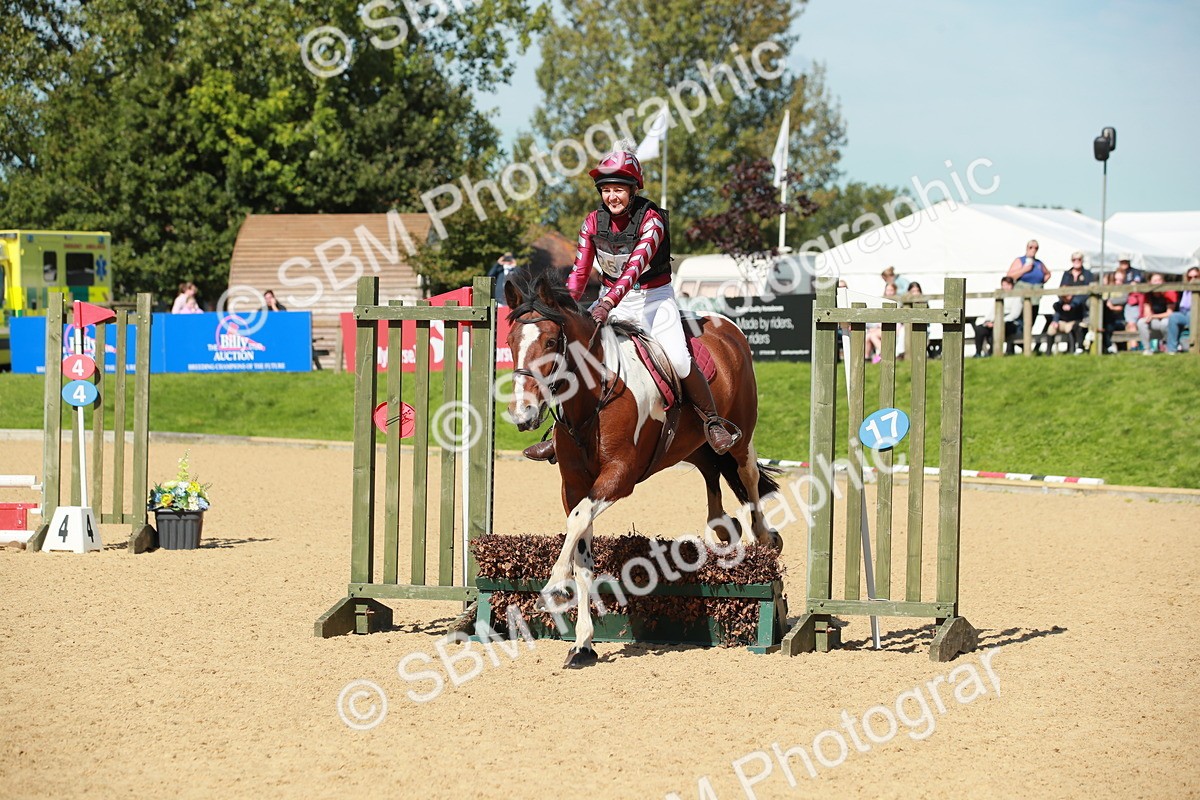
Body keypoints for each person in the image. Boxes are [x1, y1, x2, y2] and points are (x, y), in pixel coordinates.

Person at [523, 142, 736, 462]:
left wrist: (606, 304)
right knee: (578, 354)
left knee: (678, 359)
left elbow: (633, 271)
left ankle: (713, 421)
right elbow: (580, 273)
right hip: (613, 299)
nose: (612, 196)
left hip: (654, 298)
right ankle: (560, 433)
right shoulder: (592, 222)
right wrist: (564, 308)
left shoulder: (652, 221)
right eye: (606, 190)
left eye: (619, 190)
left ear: (633, 190)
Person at [1045, 251, 1094, 353]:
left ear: (1082, 260)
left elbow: (1086, 293)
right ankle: (1048, 352)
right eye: (1074, 259)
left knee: (1076, 327)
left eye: (1079, 259)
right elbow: (1062, 290)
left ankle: (1076, 349)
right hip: (1065, 306)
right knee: (1053, 326)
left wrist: (1073, 303)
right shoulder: (1067, 274)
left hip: (1082, 308)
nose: (1077, 261)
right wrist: (1056, 319)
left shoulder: (1088, 274)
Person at [973, 276, 1022, 356]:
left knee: (996, 330)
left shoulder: (1016, 297)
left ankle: (992, 353)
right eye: (1003, 285)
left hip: (1009, 323)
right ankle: (978, 353)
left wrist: (998, 322)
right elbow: (993, 311)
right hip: (995, 321)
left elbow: (1014, 315)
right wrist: (987, 321)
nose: (1005, 287)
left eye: (1007, 285)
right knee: (979, 329)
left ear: (1012, 285)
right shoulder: (1000, 296)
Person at [1136, 273, 1177, 354]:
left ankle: (1168, 346)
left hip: (1167, 319)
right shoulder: (1148, 294)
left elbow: (1169, 313)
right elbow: (1147, 312)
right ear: (1150, 282)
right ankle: (1147, 349)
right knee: (1141, 322)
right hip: (1155, 320)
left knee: (1165, 323)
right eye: (1155, 281)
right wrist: (1150, 316)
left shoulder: (1170, 292)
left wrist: (1153, 316)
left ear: (1163, 281)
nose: (1157, 283)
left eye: (1159, 280)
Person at [1166, 267, 1198, 353]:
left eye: (1196, 276)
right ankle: (1172, 350)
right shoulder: (1183, 289)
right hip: (1183, 312)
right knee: (1173, 317)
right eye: (1190, 277)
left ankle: (1195, 346)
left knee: (1191, 315)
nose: (1193, 279)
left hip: (1195, 314)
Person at [1115, 255, 1144, 332]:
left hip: (1132, 302)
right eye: (1122, 262)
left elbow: (1136, 284)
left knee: (1132, 325)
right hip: (1120, 299)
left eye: (1125, 261)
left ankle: (1134, 344)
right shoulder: (1116, 272)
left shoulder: (1135, 272)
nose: (1124, 263)